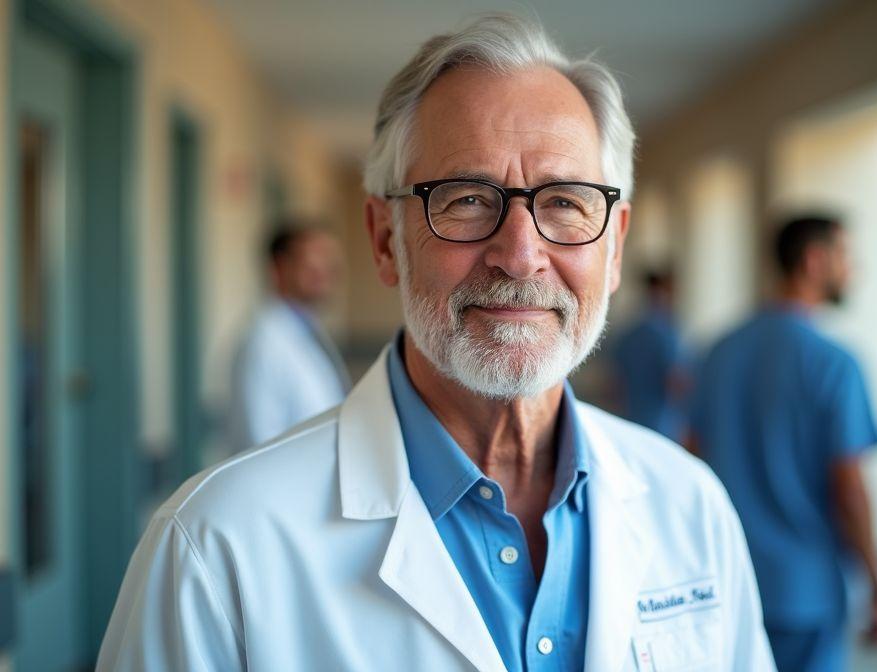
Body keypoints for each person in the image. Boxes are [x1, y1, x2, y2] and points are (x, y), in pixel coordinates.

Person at [98, 15, 774, 671]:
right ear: (386, 239)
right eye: (467, 199)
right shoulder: (215, 546)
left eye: (565, 202)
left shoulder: (692, 506)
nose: (520, 255)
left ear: (615, 245)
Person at [689, 215, 877, 672]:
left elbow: (690, 457)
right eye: (846, 257)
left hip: (728, 576)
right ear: (814, 260)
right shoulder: (835, 364)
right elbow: (849, 488)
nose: (854, 270)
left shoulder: (718, 351)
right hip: (806, 592)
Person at [226, 223, 351, 453]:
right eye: (312, 264)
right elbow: (257, 446)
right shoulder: (262, 345)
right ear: (279, 267)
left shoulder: (308, 330)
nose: (323, 274)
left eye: (329, 264)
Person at [612, 270, 694, 441]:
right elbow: (676, 382)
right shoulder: (667, 332)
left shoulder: (629, 332)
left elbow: (616, 385)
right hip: (661, 426)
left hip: (631, 421)